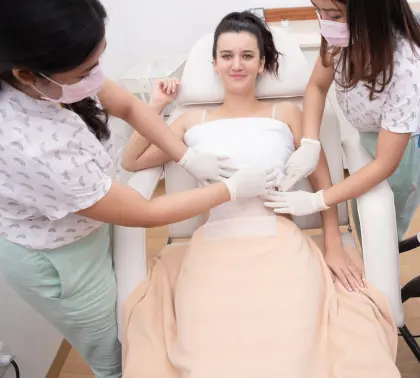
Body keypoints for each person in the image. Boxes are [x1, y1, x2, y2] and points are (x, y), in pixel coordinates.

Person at [0, 1, 275, 377]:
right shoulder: (29, 144)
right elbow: (142, 204)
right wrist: (231, 187)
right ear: (28, 74)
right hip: (57, 255)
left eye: (99, 59)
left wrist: (186, 157)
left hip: (267, 242)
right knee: (122, 352)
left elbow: (127, 104)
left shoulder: (59, 74)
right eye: (226, 55)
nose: (97, 76)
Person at [120, 12, 400, 378]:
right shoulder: (192, 121)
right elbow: (132, 159)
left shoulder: (285, 112)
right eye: (227, 56)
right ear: (214, 63)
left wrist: (332, 245)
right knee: (207, 355)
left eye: (247, 56)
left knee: (294, 354)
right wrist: (157, 106)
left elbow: (323, 184)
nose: (237, 65)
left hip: (280, 246)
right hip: (214, 248)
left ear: (263, 62)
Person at [266, 0, 420, 241]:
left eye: (333, 15)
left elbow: (385, 164)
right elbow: (317, 86)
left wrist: (318, 200)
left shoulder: (409, 66)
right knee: (362, 211)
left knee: (383, 226)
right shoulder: (342, 36)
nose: (324, 23)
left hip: (405, 150)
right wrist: (310, 142)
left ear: (370, 14)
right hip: (370, 134)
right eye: (318, 11)